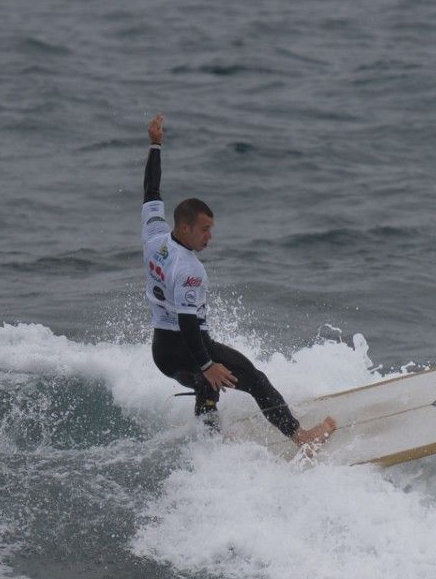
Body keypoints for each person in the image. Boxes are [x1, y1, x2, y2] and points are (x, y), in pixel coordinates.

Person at [140, 114, 336, 450]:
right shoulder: (189, 269)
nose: (209, 237)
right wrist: (207, 363)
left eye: (211, 229)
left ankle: (209, 445)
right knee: (255, 380)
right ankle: (301, 438)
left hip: (162, 352)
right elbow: (188, 323)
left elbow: (151, 189)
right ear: (185, 228)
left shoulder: (153, 234)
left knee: (207, 386)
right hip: (187, 347)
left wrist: (155, 145)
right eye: (204, 230)